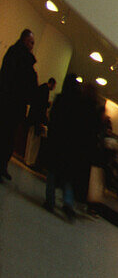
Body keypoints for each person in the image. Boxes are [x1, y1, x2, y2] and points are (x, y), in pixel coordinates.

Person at [41, 74, 85, 220]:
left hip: (57, 142)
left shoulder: (60, 98)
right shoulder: (79, 103)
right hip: (70, 147)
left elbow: (53, 120)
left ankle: (50, 201)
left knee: (52, 173)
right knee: (68, 177)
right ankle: (67, 203)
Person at [0, 29, 38, 181]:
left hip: (8, 102)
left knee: (5, 135)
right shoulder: (24, 59)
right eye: (31, 42)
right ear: (24, 40)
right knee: (8, 136)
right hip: (14, 104)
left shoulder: (13, 54)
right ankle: (2, 165)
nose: (32, 46)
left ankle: (2, 165)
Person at [25, 77, 55, 167]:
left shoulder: (41, 88)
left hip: (32, 118)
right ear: (52, 84)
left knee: (30, 139)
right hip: (37, 119)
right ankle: (30, 161)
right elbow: (41, 107)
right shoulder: (45, 91)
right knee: (35, 142)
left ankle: (27, 158)